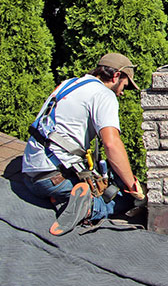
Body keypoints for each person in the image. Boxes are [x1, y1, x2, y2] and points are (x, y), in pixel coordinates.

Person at [22, 53, 145, 236]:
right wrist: (134, 188)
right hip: (52, 178)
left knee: (106, 180)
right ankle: (88, 208)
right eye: (125, 86)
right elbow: (111, 144)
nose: (122, 93)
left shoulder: (69, 83)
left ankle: (61, 198)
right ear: (116, 76)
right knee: (119, 201)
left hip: (30, 174)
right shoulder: (104, 95)